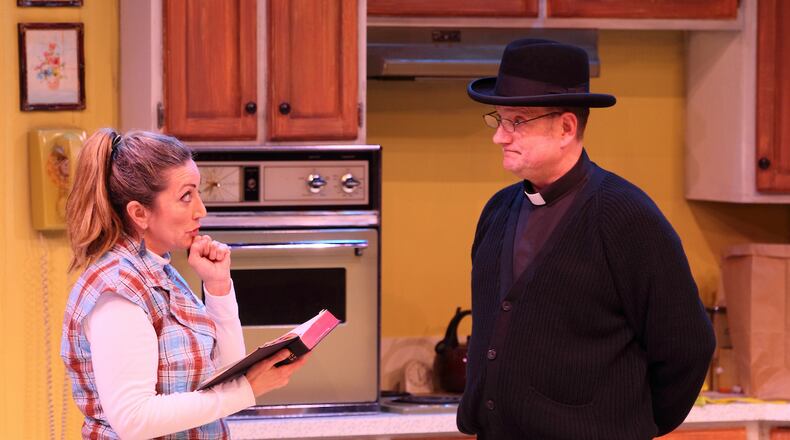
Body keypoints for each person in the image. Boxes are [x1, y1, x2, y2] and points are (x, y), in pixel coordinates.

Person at [456, 39, 716, 440]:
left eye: (517, 122)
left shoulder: (626, 216)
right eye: (499, 119)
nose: (500, 137)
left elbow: (688, 344)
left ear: (565, 127)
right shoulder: (497, 211)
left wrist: (631, 424)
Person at [61, 129, 308, 439]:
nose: (201, 210)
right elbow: (134, 420)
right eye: (186, 196)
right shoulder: (118, 291)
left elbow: (226, 373)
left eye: (198, 193)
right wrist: (247, 390)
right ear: (140, 213)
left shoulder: (161, 274)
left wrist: (218, 287)